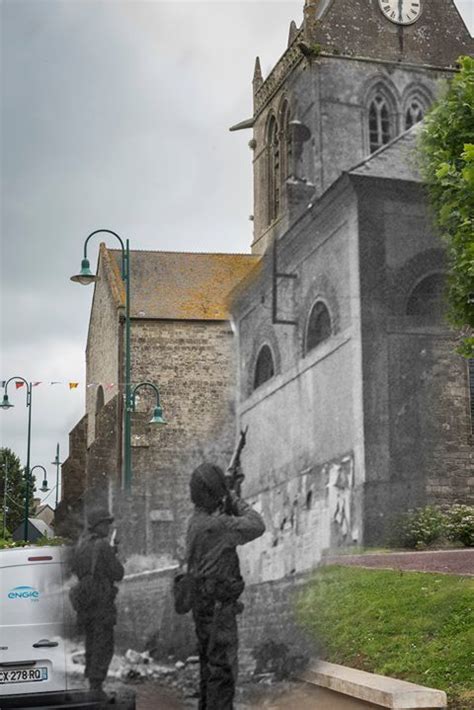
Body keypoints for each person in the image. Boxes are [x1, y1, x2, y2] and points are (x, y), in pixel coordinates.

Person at [186, 463, 265, 710]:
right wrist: (232, 496)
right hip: (218, 607)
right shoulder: (218, 527)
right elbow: (256, 524)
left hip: (203, 605)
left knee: (209, 669)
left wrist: (225, 494)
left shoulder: (195, 522)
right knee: (223, 671)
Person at [69, 508, 124, 699]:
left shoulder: (82, 546)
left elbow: (77, 569)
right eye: (105, 524)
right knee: (103, 643)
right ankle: (96, 687)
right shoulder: (102, 546)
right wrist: (113, 553)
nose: (108, 527)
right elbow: (118, 573)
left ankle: (92, 683)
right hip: (101, 603)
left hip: (86, 604)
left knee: (91, 642)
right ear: (97, 526)